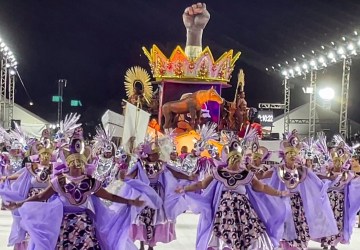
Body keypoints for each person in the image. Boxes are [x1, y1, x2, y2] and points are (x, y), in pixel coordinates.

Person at [5, 141, 145, 250]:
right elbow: (41, 196)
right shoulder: (59, 180)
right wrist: (20, 203)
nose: (77, 165)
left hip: (84, 224)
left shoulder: (90, 182)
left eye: (80, 163)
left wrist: (130, 201)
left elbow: (110, 197)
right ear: (69, 163)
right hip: (62, 224)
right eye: (74, 162)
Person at [176, 151, 288, 249]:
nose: (236, 162)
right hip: (223, 214)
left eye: (238, 159)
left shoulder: (247, 174)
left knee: (249, 236)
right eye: (233, 159)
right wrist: (185, 188)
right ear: (228, 159)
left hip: (244, 213)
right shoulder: (218, 173)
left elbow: (263, 187)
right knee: (222, 236)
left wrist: (279, 193)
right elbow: (201, 184)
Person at [261, 130, 338, 249]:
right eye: (289, 153)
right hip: (283, 204)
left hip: (297, 205)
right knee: (285, 230)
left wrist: (329, 178)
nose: (292, 155)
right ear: (284, 155)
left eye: (294, 153)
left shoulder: (303, 170)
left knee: (300, 229)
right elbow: (261, 177)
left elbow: (316, 176)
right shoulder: (277, 169)